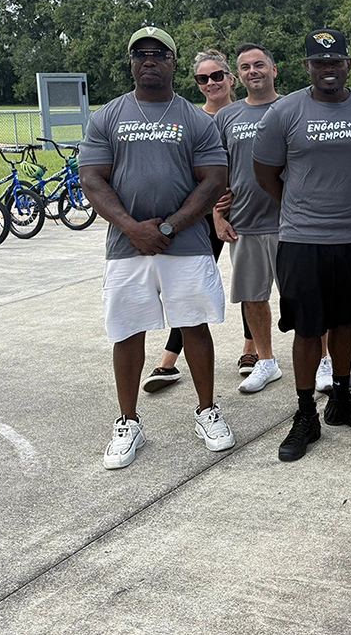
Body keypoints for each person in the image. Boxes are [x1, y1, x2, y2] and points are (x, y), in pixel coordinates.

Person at [80, 26, 234, 469]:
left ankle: (207, 409)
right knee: (127, 330)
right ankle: (128, 421)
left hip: (185, 244)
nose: (149, 59)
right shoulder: (108, 115)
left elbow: (213, 181)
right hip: (127, 247)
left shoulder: (196, 118)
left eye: (159, 53)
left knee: (193, 325)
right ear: (131, 63)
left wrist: (167, 226)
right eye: (140, 54)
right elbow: (92, 178)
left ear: (172, 62)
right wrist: (132, 227)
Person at [253, 29, 351, 462]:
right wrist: (301, 207)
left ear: (349, 63)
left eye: (335, 61)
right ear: (307, 66)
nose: (328, 69)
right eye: (319, 62)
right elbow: (266, 173)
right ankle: (305, 411)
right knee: (309, 328)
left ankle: (342, 399)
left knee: (346, 321)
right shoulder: (285, 111)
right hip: (302, 239)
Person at [141, 48, 250, 391]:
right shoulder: (192, 118)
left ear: (231, 78)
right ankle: (169, 359)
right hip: (205, 212)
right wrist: (216, 212)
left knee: (250, 282)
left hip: (249, 207)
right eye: (203, 78)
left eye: (218, 75)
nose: (211, 83)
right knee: (189, 286)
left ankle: (251, 349)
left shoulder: (246, 112)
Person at [212, 43, 283, 394]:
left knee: (305, 297)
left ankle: (321, 361)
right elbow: (218, 172)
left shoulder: (292, 108)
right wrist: (217, 215)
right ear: (237, 76)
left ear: (273, 68)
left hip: (292, 222)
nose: (252, 71)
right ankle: (266, 361)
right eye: (244, 67)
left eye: (259, 64)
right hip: (245, 223)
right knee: (254, 298)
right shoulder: (227, 116)